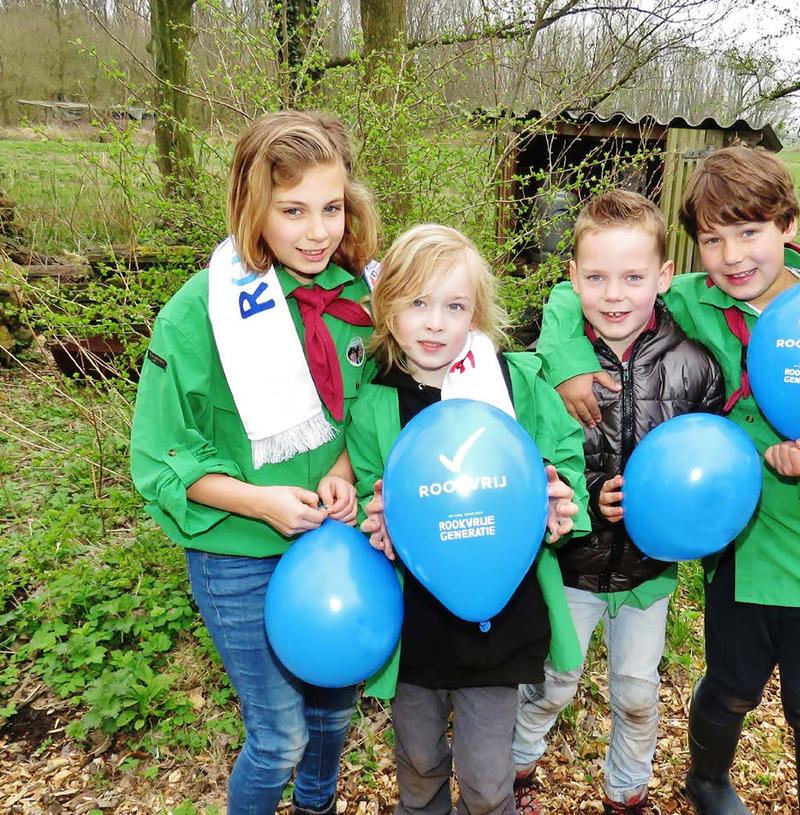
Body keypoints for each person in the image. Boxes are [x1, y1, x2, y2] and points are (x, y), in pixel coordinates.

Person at [535, 147, 800, 814]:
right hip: (735, 545)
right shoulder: (690, 301)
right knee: (730, 685)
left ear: (789, 226)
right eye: (713, 239)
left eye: (750, 232)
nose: (732, 256)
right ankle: (708, 781)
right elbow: (576, 291)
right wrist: (573, 363)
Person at [130, 110, 380, 815]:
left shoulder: (359, 299)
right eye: (293, 210)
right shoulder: (198, 312)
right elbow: (160, 456)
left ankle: (317, 807)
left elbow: (367, 411)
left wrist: (344, 469)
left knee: (333, 717)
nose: (316, 229)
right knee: (280, 736)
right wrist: (261, 500)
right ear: (252, 207)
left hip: (334, 546)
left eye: (331, 207)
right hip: (236, 548)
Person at [345, 224, 590, 815]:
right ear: (387, 308)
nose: (435, 323)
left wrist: (562, 503)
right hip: (413, 622)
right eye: (417, 304)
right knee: (421, 765)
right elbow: (360, 489)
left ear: (475, 312)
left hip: (497, 619)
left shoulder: (513, 384)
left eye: (454, 306)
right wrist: (369, 520)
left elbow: (564, 464)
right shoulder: (374, 397)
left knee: (486, 781)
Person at [511, 190, 725, 815]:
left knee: (636, 689)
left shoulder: (694, 367)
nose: (614, 295)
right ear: (572, 277)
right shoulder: (546, 367)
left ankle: (627, 792)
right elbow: (527, 465)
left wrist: (676, 513)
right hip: (572, 564)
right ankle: (515, 771)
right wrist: (584, 498)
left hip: (648, 571)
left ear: (663, 277)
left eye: (633, 277)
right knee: (553, 683)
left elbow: (709, 464)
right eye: (597, 277)